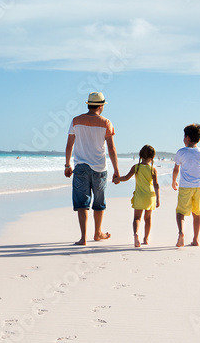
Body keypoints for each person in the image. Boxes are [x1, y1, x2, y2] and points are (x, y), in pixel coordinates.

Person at [65, 91, 121, 245]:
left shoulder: (76, 121)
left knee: (82, 202)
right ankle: (97, 233)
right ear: (101, 106)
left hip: (81, 166)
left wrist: (67, 165)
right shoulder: (106, 122)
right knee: (99, 202)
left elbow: (69, 145)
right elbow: (112, 148)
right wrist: (116, 170)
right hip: (99, 168)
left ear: (89, 104)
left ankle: (83, 238)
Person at [171, 123, 200, 247]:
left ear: (187, 138)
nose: (183, 139)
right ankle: (196, 239)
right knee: (197, 213)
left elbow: (176, 169)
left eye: (184, 137)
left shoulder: (181, 152)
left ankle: (181, 232)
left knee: (180, 212)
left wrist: (173, 181)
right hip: (199, 187)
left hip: (185, 186)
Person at [115, 144, 160, 247]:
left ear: (140, 156)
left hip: (139, 196)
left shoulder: (136, 167)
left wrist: (117, 179)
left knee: (137, 218)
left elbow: (126, 177)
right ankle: (146, 238)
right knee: (148, 218)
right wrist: (158, 198)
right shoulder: (153, 169)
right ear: (152, 157)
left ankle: (136, 235)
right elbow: (156, 184)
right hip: (150, 196)